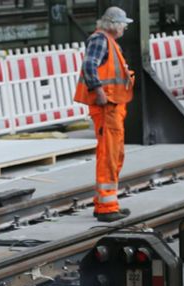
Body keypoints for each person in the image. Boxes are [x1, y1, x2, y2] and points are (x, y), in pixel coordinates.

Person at [74, 7, 136, 223]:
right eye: (123, 24)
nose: (125, 28)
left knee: (115, 155)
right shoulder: (101, 39)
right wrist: (98, 90)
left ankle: (108, 203)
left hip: (113, 107)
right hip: (106, 106)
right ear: (114, 24)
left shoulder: (108, 41)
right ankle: (106, 208)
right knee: (108, 156)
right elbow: (89, 65)